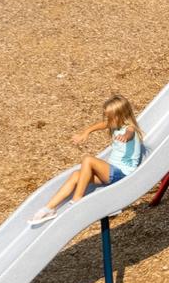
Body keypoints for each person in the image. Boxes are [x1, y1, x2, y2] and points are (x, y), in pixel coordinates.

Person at [30, 96, 146, 225]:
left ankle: (77, 200)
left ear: (121, 115)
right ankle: (49, 208)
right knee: (76, 175)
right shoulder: (115, 124)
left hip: (123, 174)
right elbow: (101, 125)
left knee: (88, 160)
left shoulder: (130, 129)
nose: (107, 120)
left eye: (110, 117)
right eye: (107, 116)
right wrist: (85, 133)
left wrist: (125, 137)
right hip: (111, 171)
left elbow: (129, 132)